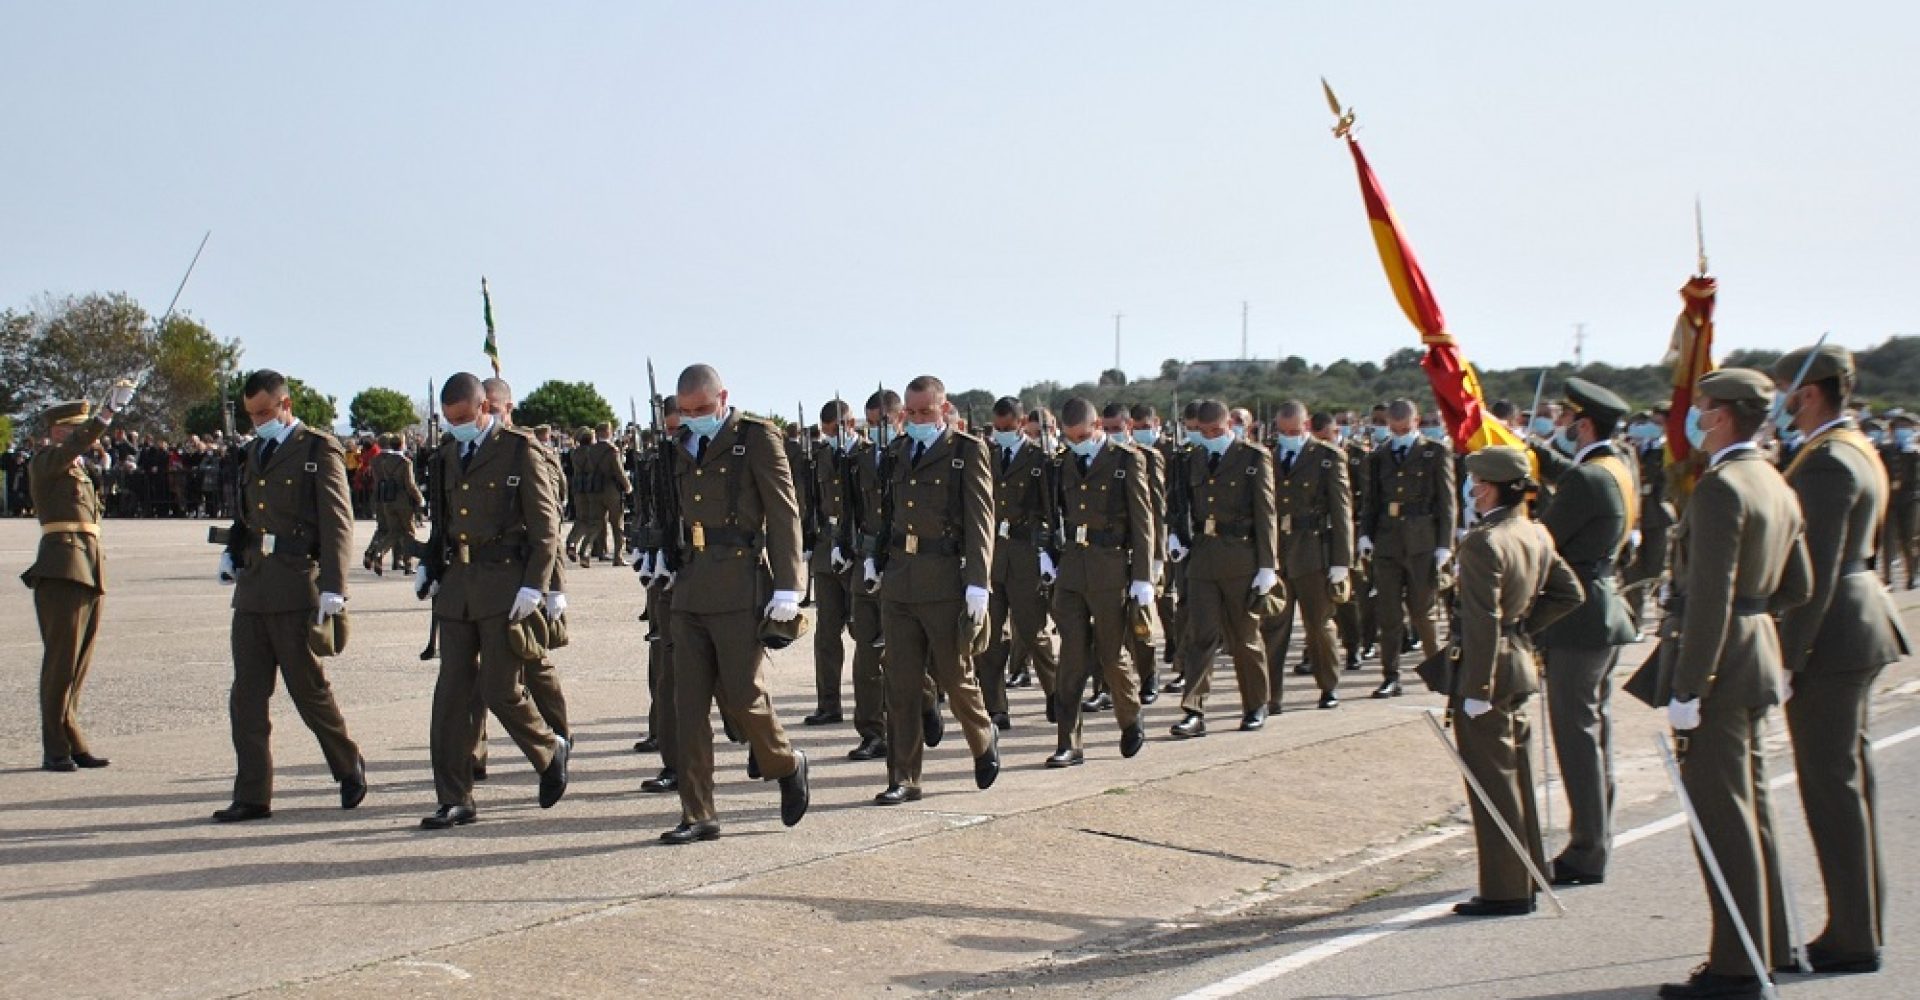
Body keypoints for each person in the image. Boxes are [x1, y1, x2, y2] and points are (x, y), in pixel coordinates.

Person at [1656, 368, 1813, 999]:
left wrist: (1690, 686)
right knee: (1752, 810)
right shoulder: (1775, 479)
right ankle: (1765, 945)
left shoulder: (1722, 487)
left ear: (1720, 417)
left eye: (1702, 409)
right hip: (1756, 653)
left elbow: (1710, 598)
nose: (1695, 419)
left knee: (1723, 818)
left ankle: (1736, 967)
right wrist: (1755, 618)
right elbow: (1798, 585)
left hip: (1719, 665)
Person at [1773, 345, 1905, 974]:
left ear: (1809, 392)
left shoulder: (1826, 460)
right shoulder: (1851, 446)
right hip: (1856, 623)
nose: (1780, 400)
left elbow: (1815, 571)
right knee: (1849, 783)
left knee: (1831, 788)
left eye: (1785, 389)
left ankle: (1852, 936)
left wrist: (1788, 657)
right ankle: (1861, 922)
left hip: (1831, 633)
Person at [644, 364, 810, 843]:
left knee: (742, 696)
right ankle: (698, 813)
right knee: (687, 705)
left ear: (723, 398)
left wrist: (788, 587)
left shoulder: (756, 438)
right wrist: (656, 552)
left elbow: (783, 512)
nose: (693, 417)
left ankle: (786, 762)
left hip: (740, 584)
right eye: (685, 411)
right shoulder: (677, 446)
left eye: (702, 408)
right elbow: (668, 508)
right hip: (689, 586)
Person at [413, 372, 569, 830]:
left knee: (500, 689)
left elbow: (546, 528)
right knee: (451, 697)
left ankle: (548, 749)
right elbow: (442, 521)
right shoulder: (446, 455)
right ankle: (454, 798)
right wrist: (429, 563)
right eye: (449, 420)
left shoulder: (520, 450)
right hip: (458, 586)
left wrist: (537, 586)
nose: (456, 426)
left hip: (506, 584)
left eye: (463, 417)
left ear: (484, 407)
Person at [213, 370, 366, 822]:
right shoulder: (252, 452)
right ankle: (252, 794)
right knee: (246, 696)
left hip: (297, 584)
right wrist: (231, 551)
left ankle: (347, 764)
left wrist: (335, 588)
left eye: (264, 412)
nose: (258, 421)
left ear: (286, 405)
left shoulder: (317, 449)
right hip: (254, 587)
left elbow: (338, 523)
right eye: (251, 414)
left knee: (308, 690)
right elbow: (248, 516)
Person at [1449, 445, 1583, 916]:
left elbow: (1482, 620)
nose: (1472, 491)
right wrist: (1522, 628)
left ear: (1487, 488)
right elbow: (1569, 593)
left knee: (1494, 782)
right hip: (1519, 659)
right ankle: (1528, 872)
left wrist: (1477, 688)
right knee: (1518, 774)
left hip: (1489, 668)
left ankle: (1506, 888)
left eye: (1476, 483)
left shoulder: (1484, 542)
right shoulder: (1535, 531)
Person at [869, 374, 1001, 804]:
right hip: (899, 580)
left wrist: (978, 584)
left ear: (944, 409)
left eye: (925, 411)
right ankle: (904, 777)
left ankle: (983, 736)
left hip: (944, 580)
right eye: (910, 412)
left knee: (955, 676)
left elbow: (981, 521)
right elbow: (886, 511)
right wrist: (874, 555)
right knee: (900, 684)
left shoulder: (966, 451)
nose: (917, 419)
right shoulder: (897, 450)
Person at [1534, 378, 1641, 888]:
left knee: (1576, 737)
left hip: (1576, 619)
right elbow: (1572, 475)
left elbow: (1546, 538)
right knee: (1595, 733)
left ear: (1584, 424)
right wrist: (1530, 451)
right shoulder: (1617, 465)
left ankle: (1585, 850)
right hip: (1603, 608)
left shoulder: (1588, 479)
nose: (1562, 426)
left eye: (1568, 419)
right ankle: (1596, 838)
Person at [23, 384, 133, 771]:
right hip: (62, 567)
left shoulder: (78, 469)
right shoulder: (46, 461)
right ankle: (54, 746)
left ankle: (72, 739)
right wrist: (105, 416)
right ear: (58, 431)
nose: (81, 435)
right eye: (74, 429)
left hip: (88, 563)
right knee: (61, 662)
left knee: (79, 663)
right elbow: (74, 447)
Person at [1040, 398, 1153, 767]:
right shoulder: (1061, 463)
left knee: (1111, 654)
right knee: (1071, 658)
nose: (1077, 444)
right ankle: (1068, 743)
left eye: (1083, 436)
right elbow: (1052, 514)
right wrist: (1047, 554)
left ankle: (1130, 718)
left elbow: (1142, 521)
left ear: (1098, 428)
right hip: (1072, 569)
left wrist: (1143, 578)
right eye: (1070, 438)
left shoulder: (1126, 460)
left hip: (1111, 568)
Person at [1167, 399, 1276, 738]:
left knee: (1244, 638)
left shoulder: (1253, 457)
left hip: (1241, 557)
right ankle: (1193, 711)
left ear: (1230, 424)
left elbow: (1266, 513)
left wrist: (1267, 565)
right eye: (1204, 432)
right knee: (1200, 636)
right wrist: (1176, 535)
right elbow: (1181, 504)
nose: (1210, 437)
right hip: (1203, 557)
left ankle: (1255, 705)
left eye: (1216, 430)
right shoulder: (1193, 458)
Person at [1359, 398, 1456, 698]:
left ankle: (1439, 672)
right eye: (1395, 429)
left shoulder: (1434, 452)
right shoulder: (1379, 456)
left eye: (1404, 428)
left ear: (1416, 422)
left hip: (1422, 541)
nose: (1399, 434)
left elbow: (1447, 501)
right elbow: (1371, 501)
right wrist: (1365, 534)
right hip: (1387, 541)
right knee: (1388, 614)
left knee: (1423, 613)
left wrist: (1445, 544)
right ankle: (1390, 676)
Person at [1264, 402, 1353, 711]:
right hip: (1278, 553)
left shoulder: (1327, 457)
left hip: (1314, 552)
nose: (1288, 436)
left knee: (1319, 625)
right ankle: (1271, 695)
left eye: (1294, 431)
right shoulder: (1268, 457)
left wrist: (1341, 561)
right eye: (1283, 431)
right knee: (1273, 628)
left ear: (1307, 426)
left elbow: (1341, 511)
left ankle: (1328, 685)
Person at [982, 398, 1059, 729]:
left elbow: (1051, 511)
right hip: (993, 555)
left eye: (1008, 427)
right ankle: (996, 707)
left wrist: (1047, 552)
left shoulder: (1039, 457)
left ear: (1022, 422)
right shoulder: (986, 454)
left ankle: (1055, 694)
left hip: (1026, 553)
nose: (1001, 433)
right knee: (989, 638)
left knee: (1032, 632)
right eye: (997, 428)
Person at [803, 398, 856, 727]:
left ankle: (878, 704)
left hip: (859, 555)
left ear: (850, 424)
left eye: (835, 430)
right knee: (826, 635)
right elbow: (810, 502)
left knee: (867, 633)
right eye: (826, 432)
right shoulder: (819, 457)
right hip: (826, 554)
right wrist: (808, 542)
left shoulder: (866, 454)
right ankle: (828, 704)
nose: (830, 437)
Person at [363, 433, 423, 576]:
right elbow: (410, 485)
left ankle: (379, 553)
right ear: (402, 445)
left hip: (387, 499)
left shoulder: (383, 462)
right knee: (409, 532)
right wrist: (420, 499)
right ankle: (407, 564)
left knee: (393, 531)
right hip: (403, 501)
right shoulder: (405, 462)